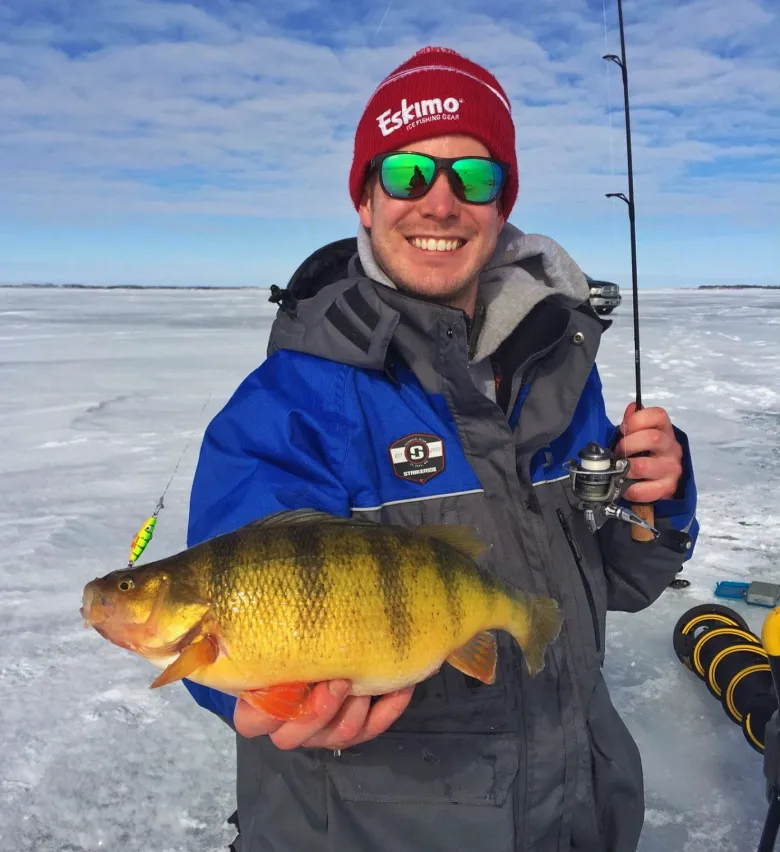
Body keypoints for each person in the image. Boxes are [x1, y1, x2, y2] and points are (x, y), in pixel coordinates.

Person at [184, 46, 698, 852]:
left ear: (501, 207)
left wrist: (657, 502)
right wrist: (249, 699)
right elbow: (233, 608)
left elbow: (620, 584)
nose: (441, 202)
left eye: (475, 178)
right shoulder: (289, 406)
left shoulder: (559, 373)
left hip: (581, 816)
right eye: (407, 174)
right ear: (364, 197)